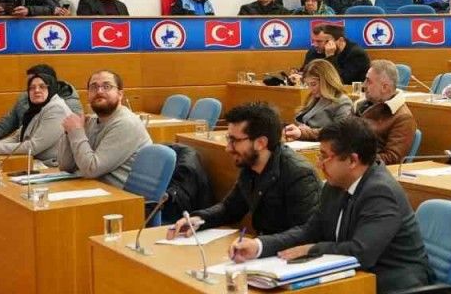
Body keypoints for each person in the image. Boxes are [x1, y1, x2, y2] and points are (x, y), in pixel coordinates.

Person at [229, 117, 434, 294]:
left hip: (393, 284)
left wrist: (312, 249)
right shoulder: (334, 185)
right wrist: (259, 246)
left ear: (352, 160)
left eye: (325, 156)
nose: (319, 163)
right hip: (351, 277)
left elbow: (361, 252)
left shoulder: (380, 192)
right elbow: (309, 231)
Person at [172, 102, 320, 238]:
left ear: (260, 143)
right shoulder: (251, 166)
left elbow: (305, 234)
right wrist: (199, 219)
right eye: (228, 139)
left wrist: (259, 245)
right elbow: (230, 209)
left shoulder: (300, 175)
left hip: (288, 255)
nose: (228, 148)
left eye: (234, 140)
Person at [57, 70, 152, 188]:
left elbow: (91, 169)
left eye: (107, 86)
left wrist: (76, 132)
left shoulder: (126, 123)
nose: (99, 91)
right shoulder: (92, 121)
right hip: (94, 187)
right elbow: (66, 166)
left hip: (122, 195)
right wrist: (70, 132)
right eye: (94, 87)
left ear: (120, 94)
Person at [0, 63, 83, 143]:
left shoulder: (66, 104)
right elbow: (3, 126)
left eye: (40, 85)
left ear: (51, 83)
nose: (35, 90)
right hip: (24, 154)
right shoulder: (24, 98)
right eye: (31, 86)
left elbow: (74, 136)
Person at [0, 71, 72, 165]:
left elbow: (33, 147)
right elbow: (17, 137)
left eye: (42, 86)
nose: (36, 90)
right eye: (32, 88)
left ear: (51, 88)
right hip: (34, 163)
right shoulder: (36, 108)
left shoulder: (56, 109)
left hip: (53, 167)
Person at [355, 60, 417, 164]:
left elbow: (392, 158)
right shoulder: (361, 105)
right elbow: (342, 134)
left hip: (369, 169)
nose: (364, 85)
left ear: (384, 87)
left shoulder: (403, 118)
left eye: (368, 81)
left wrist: (355, 159)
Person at [284, 60, 354, 142]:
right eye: (308, 85)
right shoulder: (314, 97)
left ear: (327, 81)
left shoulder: (343, 102)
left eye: (313, 84)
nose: (310, 89)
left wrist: (304, 133)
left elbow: (339, 132)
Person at [300, 23, 369, 85]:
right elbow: (305, 73)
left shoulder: (357, 55)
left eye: (319, 41)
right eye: (313, 41)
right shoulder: (314, 52)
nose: (315, 45)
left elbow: (341, 82)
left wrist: (330, 57)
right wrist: (299, 76)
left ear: (340, 40)